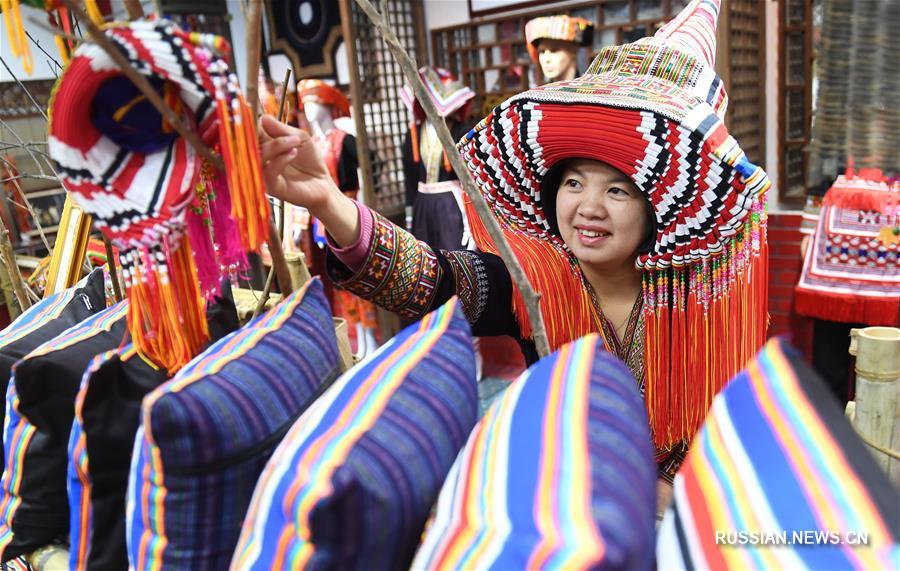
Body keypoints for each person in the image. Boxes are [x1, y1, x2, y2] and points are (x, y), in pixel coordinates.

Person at [258, 0, 770, 507]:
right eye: (573, 182)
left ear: (660, 205)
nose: (588, 207)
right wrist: (330, 202)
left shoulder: (710, 299)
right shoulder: (535, 280)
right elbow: (433, 279)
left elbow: (731, 434)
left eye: (617, 190)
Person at [401, 66, 475, 252]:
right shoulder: (413, 133)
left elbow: (472, 179)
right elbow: (410, 177)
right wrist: (409, 215)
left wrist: (473, 220)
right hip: (423, 204)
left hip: (451, 204)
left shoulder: (461, 130)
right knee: (426, 258)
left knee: (456, 256)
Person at [524, 14, 594, 83]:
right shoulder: (539, 94)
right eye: (542, 52)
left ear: (574, 50)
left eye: (554, 50)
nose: (547, 60)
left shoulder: (588, 92)